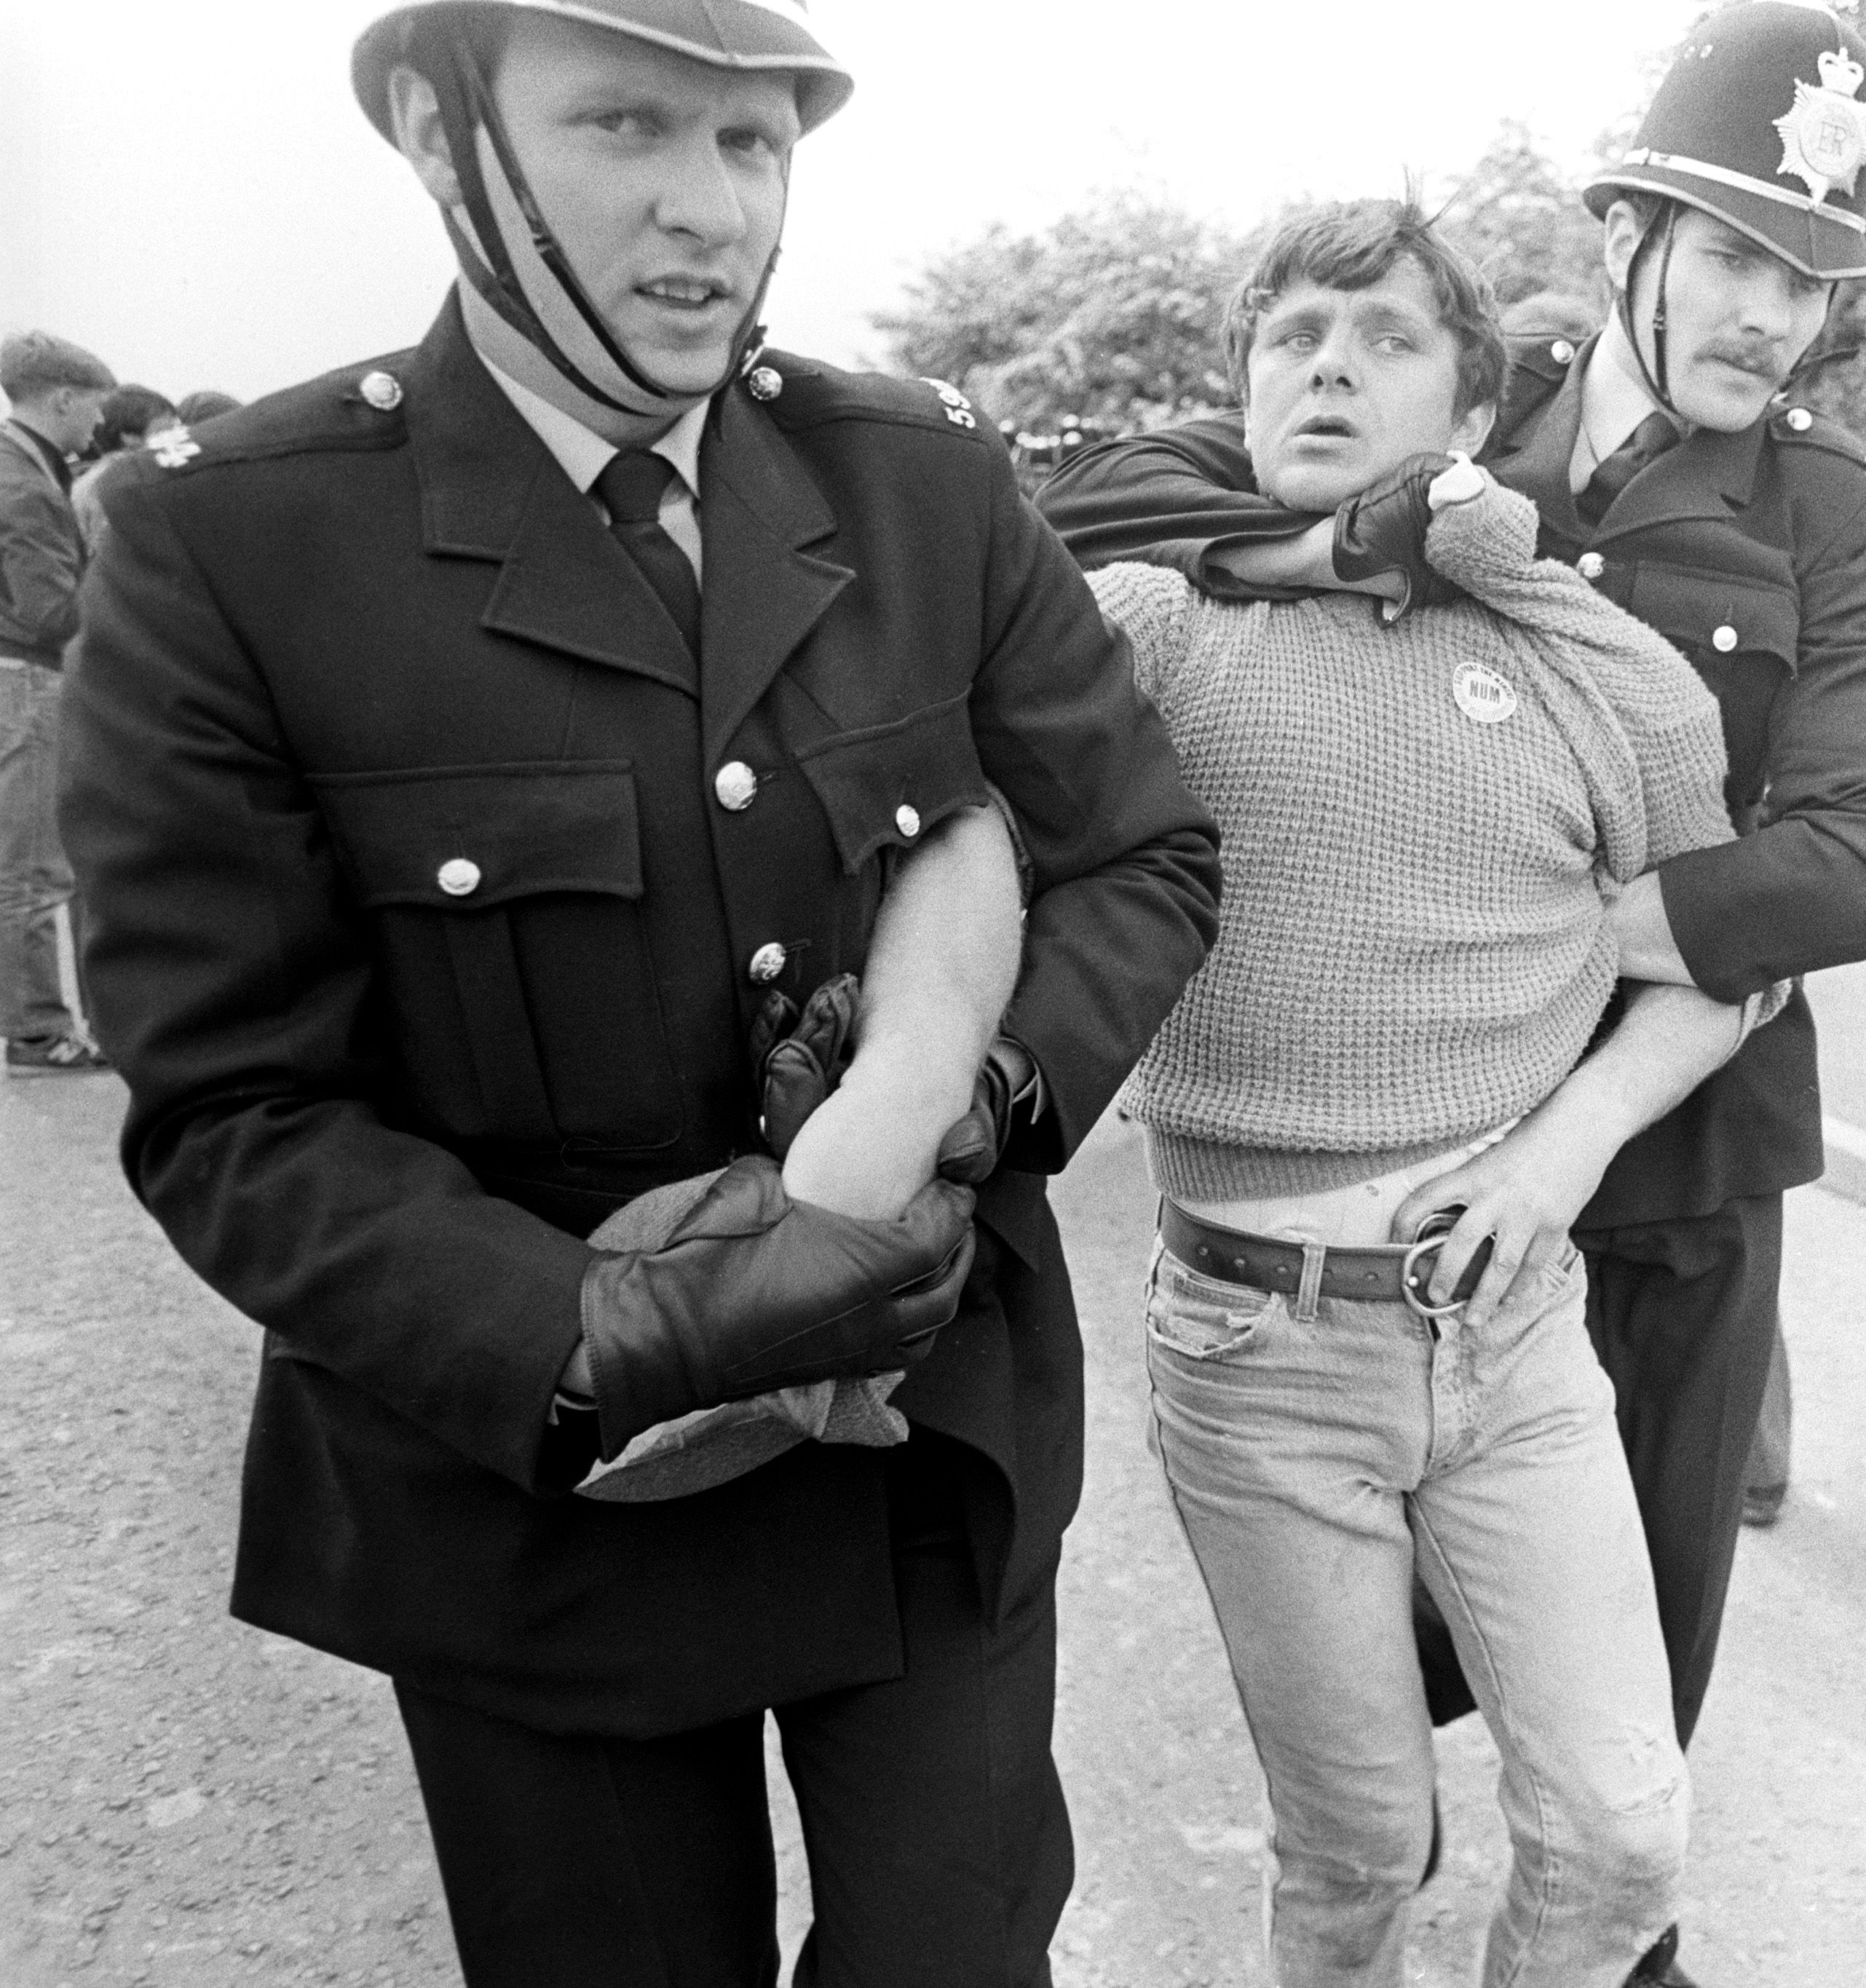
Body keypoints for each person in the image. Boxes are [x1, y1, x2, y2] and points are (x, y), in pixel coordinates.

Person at [60, 3, 1218, 1981]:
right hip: (541, 1509)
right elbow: (237, 1105)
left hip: (915, 1458)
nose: (706, 212)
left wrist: (973, 1096)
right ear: (440, 128)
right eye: (624, 125)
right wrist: (601, 1330)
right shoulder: (231, 548)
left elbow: (1140, 850)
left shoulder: (919, 483)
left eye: (753, 145)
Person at [1041, 28, 1866, 1975]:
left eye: (1807, 281)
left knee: (1629, 1763)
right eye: (1733, 254)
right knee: (1372, 1750)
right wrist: (1326, 544)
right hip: (1364, 1186)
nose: (1773, 318)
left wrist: (1564, 927)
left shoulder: (1839, 514)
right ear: (1623, 234)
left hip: (1667, 1172)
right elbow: (1126, 512)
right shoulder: (1458, 386)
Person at [1099, 194, 1761, 1988]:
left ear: (1469, 418)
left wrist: (1562, 1154)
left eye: (1387, 338)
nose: (1328, 362)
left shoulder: (1598, 670)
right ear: (1238, 386)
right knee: (1359, 1853)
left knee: (1624, 1835)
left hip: (1517, 1341)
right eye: (1292, 333)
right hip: (1254, 1360)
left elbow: (1727, 970)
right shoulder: (1145, 627)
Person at [0, 330, 114, 1077]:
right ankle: (38, 1033)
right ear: (63, 397)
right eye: (95, 408)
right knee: (34, 869)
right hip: (31, 676)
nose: (100, 426)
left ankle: (41, 1025)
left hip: (18, 672)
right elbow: (50, 611)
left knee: (30, 862)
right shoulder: (25, 485)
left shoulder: (20, 467)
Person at [70, 384, 181, 558]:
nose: (178, 437)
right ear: (129, 437)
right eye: (165, 431)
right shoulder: (120, 483)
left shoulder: (94, 479)